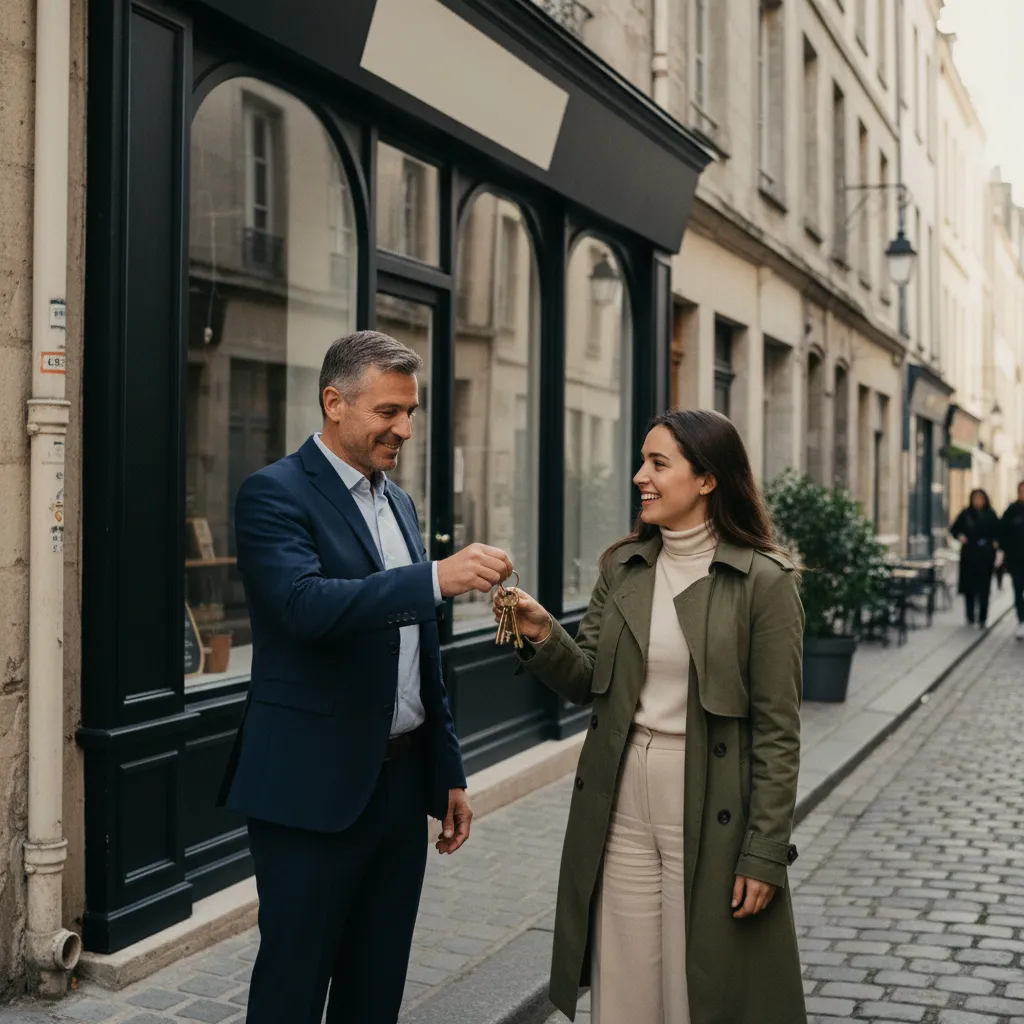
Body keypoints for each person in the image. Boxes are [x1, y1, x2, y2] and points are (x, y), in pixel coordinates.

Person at [219, 331, 513, 1024]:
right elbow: (303, 606)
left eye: (409, 412)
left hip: (400, 791)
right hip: (309, 791)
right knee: (293, 988)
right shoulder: (273, 493)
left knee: (375, 989)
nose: (404, 429)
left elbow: (418, 655)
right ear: (334, 403)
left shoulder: (400, 504)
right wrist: (434, 577)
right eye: (388, 412)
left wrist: (448, 769)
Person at [494, 409, 806, 1024]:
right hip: (620, 787)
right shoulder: (625, 567)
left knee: (698, 979)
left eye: (658, 463)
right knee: (625, 974)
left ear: (708, 479)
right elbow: (588, 680)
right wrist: (541, 633)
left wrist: (764, 851)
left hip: (708, 791)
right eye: (643, 460)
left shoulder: (764, 581)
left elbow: (778, 732)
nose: (641, 475)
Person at [950, 489, 1000, 629]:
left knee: (984, 588)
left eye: (980, 499)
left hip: (985, 556)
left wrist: (994, 543)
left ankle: (982, 617)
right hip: (969, 555)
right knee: (969, 588)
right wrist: (960, 536)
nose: (978, 502)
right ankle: (970, 616)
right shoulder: (966, 514)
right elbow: (954, 529)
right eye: (975, 499)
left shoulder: (990, 514)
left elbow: (997, 531)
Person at [1000, 481, 1024, 639]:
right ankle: (1022, 621)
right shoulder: (1011, 511)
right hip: (1016, 559)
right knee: (1018, 589)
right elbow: (1002, 532)